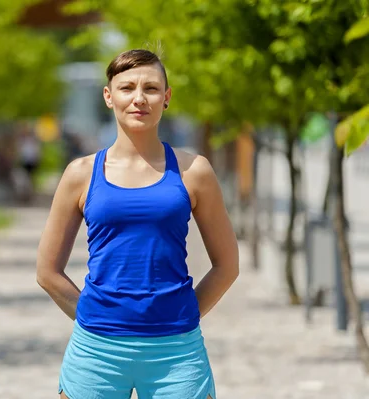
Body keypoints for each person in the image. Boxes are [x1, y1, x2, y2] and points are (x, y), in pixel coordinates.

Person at [36, 49, 239, 399]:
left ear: (167, 97)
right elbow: (47, 271)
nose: (139, 98)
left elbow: (227, 266)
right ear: (108, 96)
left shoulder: (195, 172)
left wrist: (183, 314)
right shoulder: (80, 174)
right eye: (127, 87)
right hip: (96, 353)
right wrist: (91, 316)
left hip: (177, 353)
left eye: (151, 88)